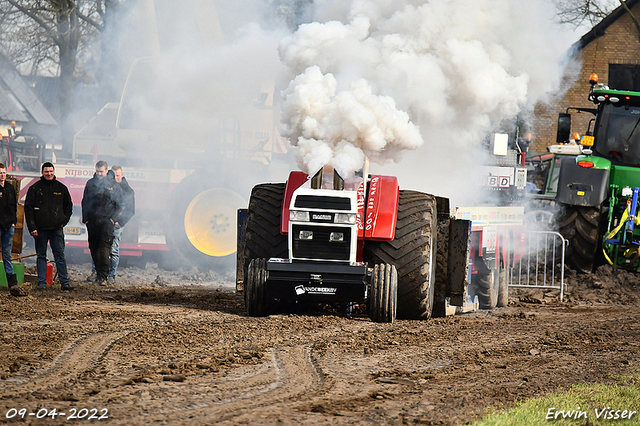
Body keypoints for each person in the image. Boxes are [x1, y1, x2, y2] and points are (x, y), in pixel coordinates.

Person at [24, 162, 74, 291]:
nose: (49, 174)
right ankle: (42, 283)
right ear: (42, 173)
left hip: (57, 229)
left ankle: (65, 282)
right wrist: (32, 227)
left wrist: (64, 221)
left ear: (54, 171)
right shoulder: (35, 189)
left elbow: (68, 207)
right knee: (41, 255)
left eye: (51, 171)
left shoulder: (61, 188)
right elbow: (28, 210)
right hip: (40, 230)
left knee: (60, 255)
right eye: (46, 172)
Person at [87, 165, 135, 284]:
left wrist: (119, 221)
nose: (116, 177)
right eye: (114, 175)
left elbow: (128, 209)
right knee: (99, 247)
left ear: (122, 175)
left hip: (116, 223)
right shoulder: (105, 185)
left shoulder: (127, 190)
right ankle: (97, 272)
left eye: (118, 175)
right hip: (105, 221)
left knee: (112, 250)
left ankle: (111, 276)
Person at [82, 161, 122, 285]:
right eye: (98, 171)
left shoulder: (114, 185)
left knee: (104, 249)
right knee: (94, 248)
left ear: (106, 170)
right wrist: (86, 219)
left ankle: (104, 277)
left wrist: (113, 219)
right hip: (92, 221)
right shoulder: (90, 184)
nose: (99, 174)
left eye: (101, 171)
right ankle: (99, 275)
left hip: (107, 221)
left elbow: (120, 205)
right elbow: (85, 202)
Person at [0, 163, 18, 294]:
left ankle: (12, 284)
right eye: (0, 173)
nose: (2, 175)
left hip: (8, 226)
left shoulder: (11, 188)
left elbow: (14, 207)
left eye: (4, 173)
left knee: (7, 255)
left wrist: (13, 222)